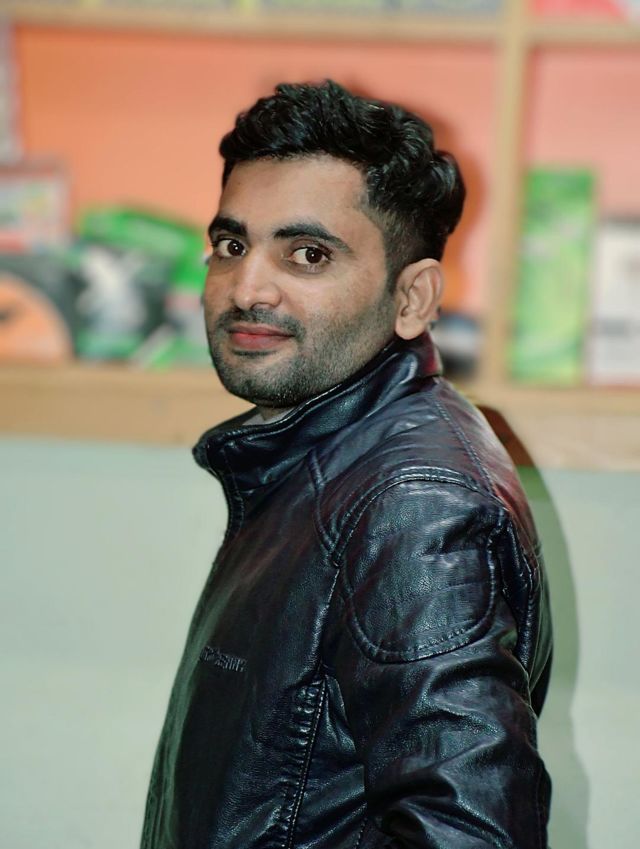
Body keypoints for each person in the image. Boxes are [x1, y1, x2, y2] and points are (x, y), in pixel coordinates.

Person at [141, 80, 552, 849]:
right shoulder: (322, 456)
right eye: (231, 245)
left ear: (413, 297)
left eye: (308, 254)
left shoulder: (414, 503)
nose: (246, 287)